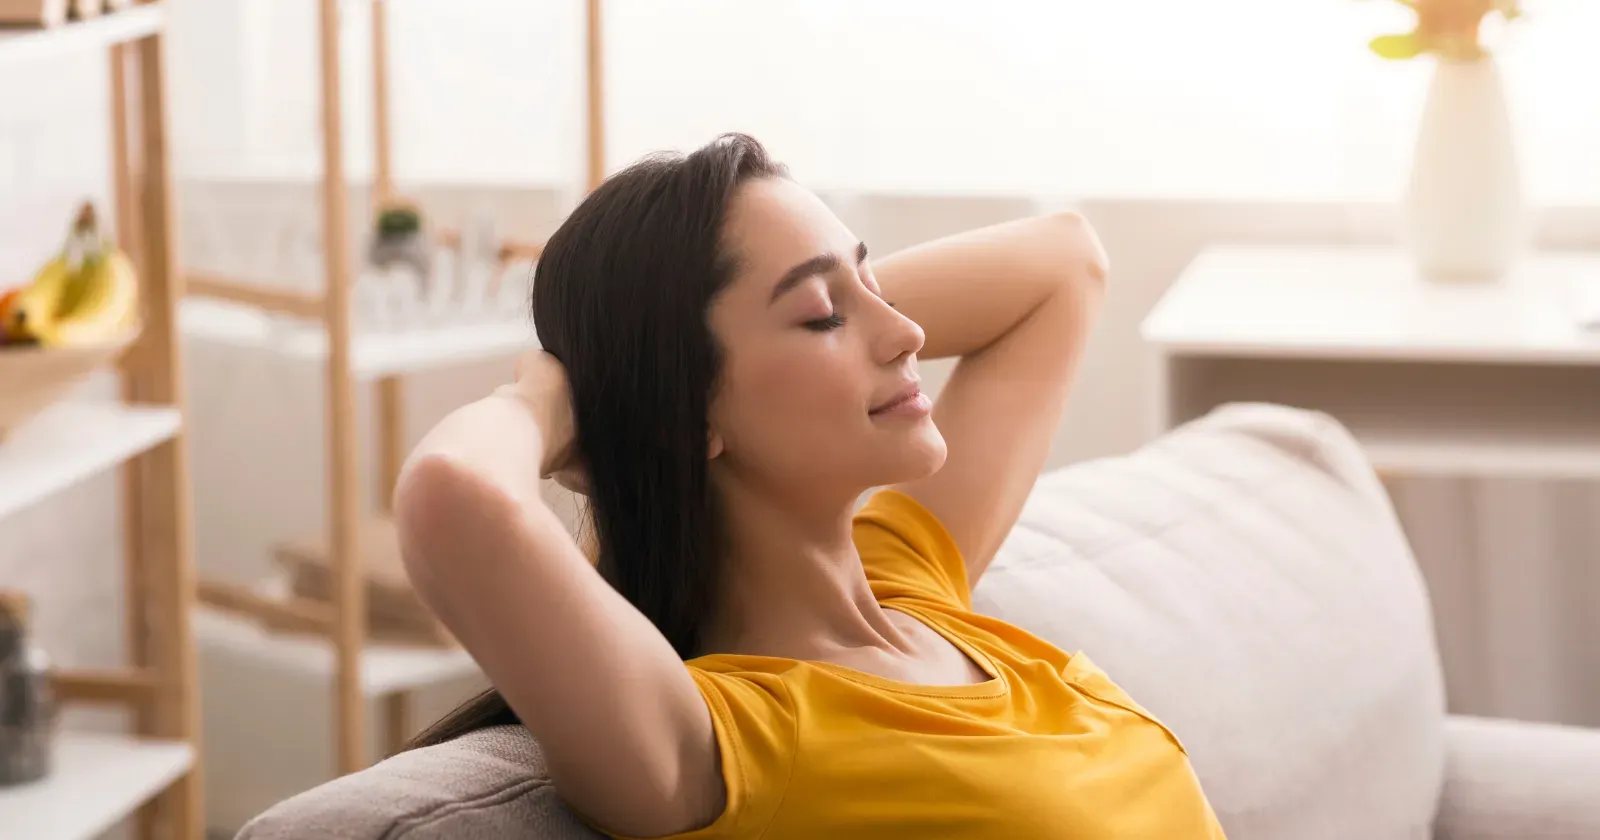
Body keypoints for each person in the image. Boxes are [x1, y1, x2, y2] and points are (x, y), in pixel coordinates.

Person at [393, 133, 1226, 839]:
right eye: (825, 313)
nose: (908, 333)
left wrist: (833, 306)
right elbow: (455, 497)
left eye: (872, 286)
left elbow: (1064, 259)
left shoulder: (912, 585)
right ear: (686, 417)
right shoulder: (731, 737)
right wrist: (564, 399)